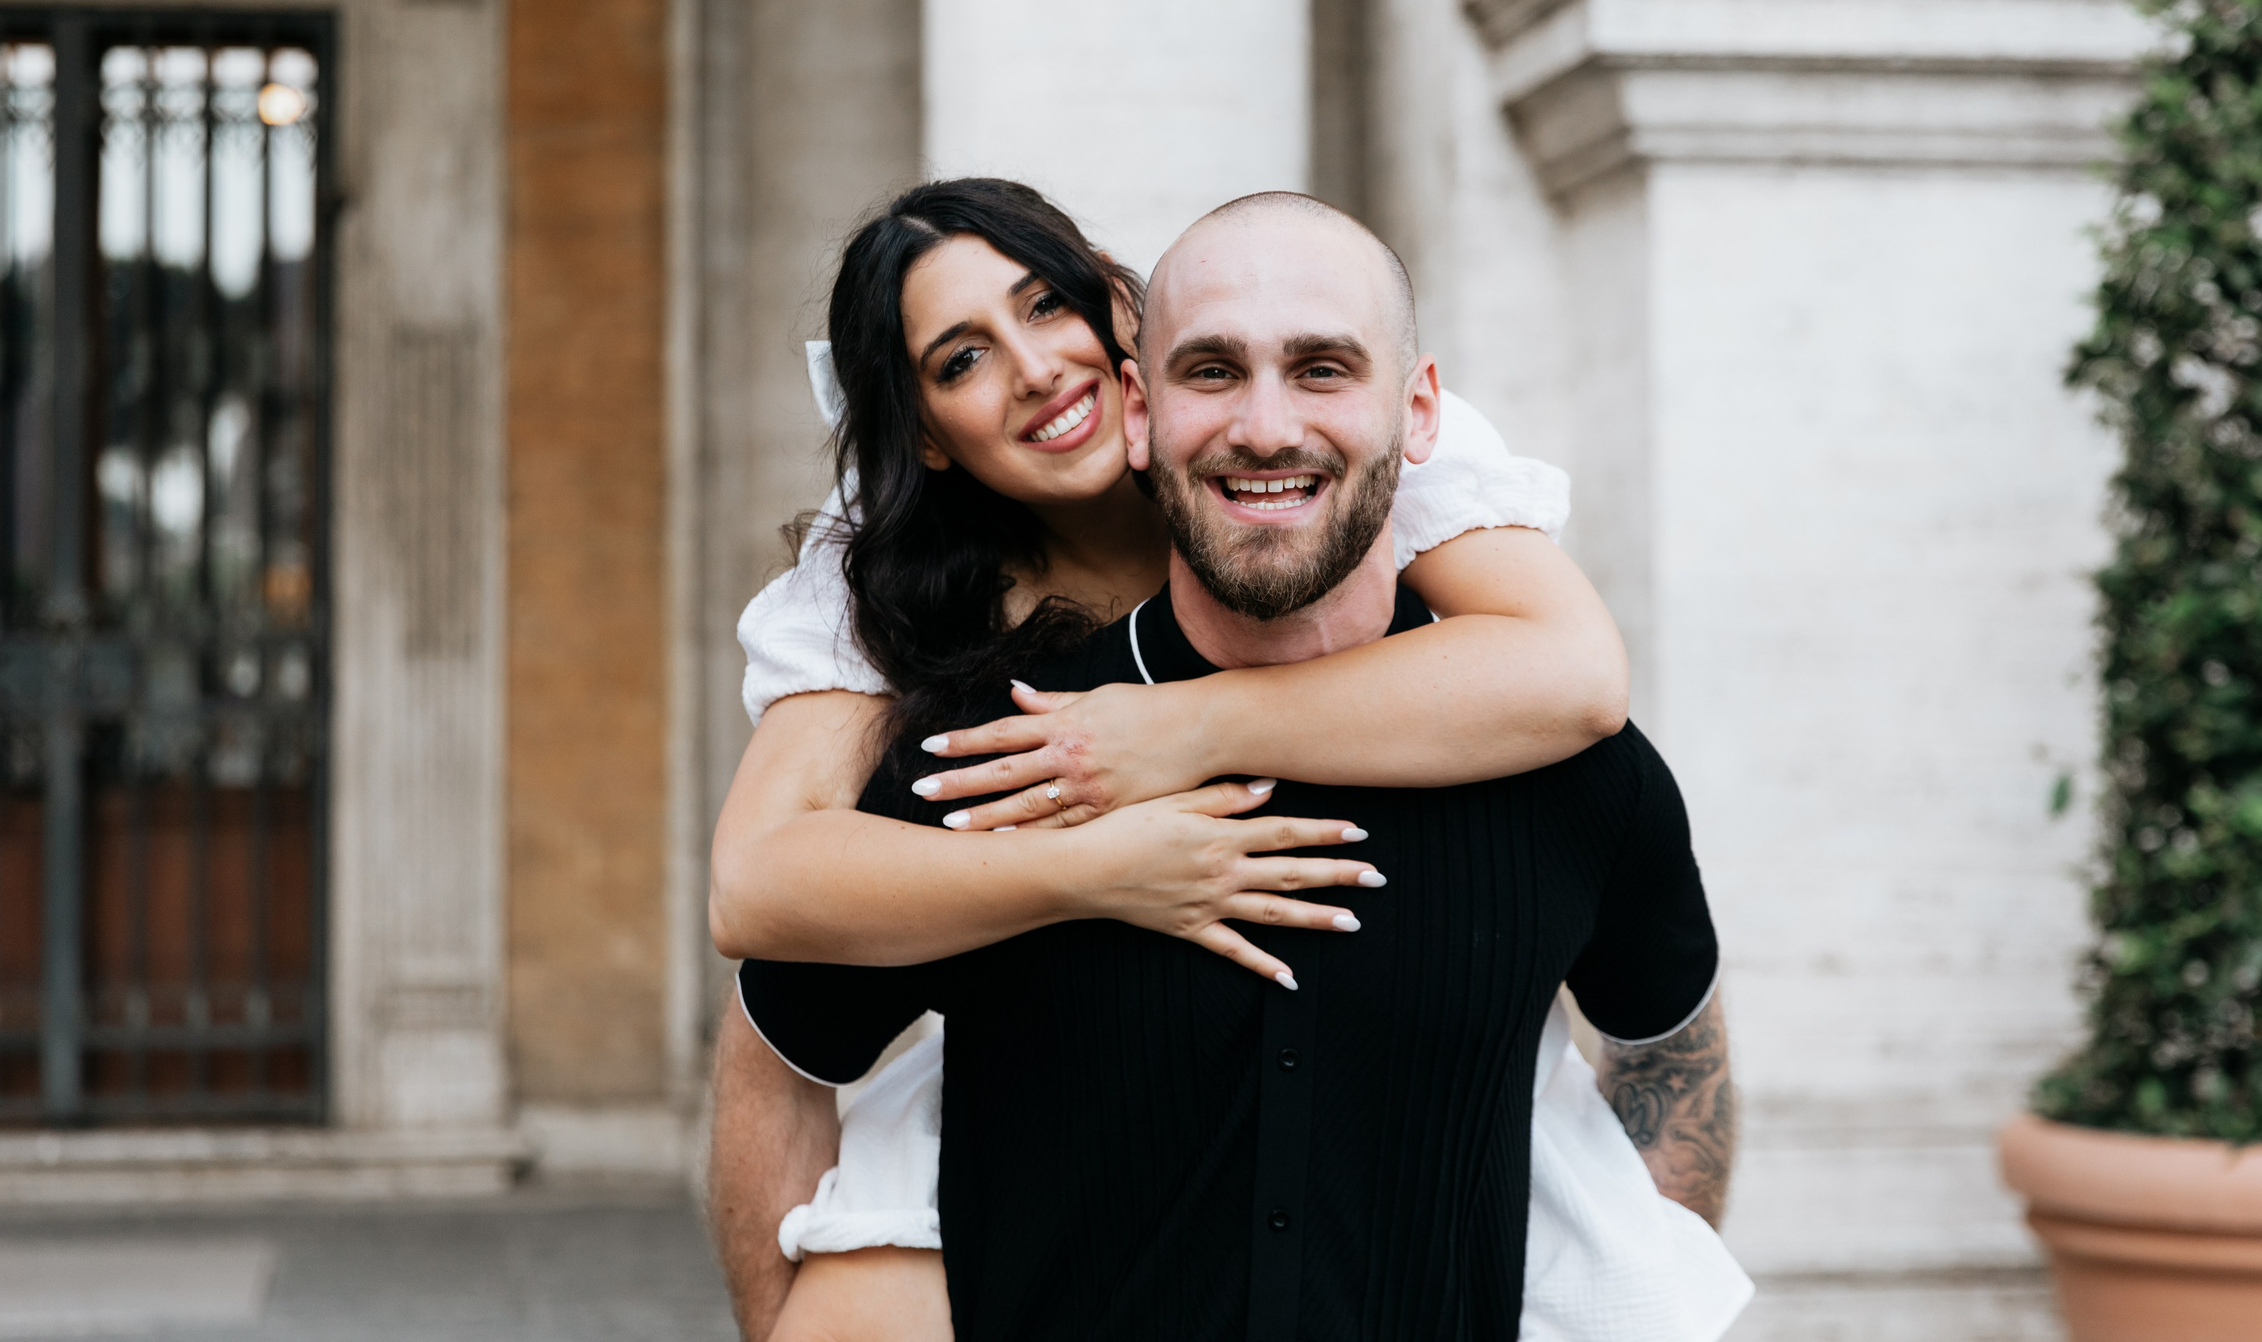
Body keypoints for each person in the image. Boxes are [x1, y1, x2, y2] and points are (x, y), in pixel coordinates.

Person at [720, 190, 1745, 1342]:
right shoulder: (942, 678)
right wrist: (1095, 871)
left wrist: (1184, 727)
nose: (1033, 370)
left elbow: (1575, 681)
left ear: (1117, 319)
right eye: (960, 358)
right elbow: (761, 914)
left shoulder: (1386, 471)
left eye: (1045, 305)